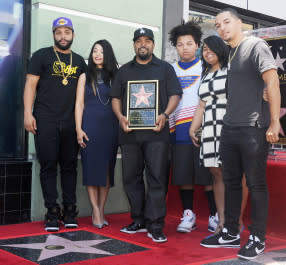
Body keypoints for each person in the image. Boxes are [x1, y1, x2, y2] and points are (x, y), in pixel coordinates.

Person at [200, 8, 280, 261]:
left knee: (256, 184)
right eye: (217, 24)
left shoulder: (255, 46)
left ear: (240, 23)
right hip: (229, 127)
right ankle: (231, 231)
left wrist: (274, 122)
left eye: (226, 22)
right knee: (232, 182)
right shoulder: (230, 54)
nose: (222, 28)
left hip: (254, 127)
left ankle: (258, 239)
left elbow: (273, 82)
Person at [110, 27, 182, 243]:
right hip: (130, 134)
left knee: (157, 179)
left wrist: (165, 114)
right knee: (131, 178)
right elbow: (115, 98)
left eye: (147, 41)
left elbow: (175, 94)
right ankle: (138, 219)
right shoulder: (124, 71)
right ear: (134, 44)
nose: (143, 44)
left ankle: (156, 224)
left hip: (157, 134)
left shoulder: (165, 68)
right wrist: (121, 117)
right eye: (139, 41)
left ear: (152, 44)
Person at [23, 17, 87, 232]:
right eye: (58, 32)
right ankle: (52, 211)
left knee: (69, 167)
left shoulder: (79, 61)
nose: (62, 36)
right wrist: (27, 113)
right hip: (45, 119)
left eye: (66, 32)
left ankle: (69, 210)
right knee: (48, 166)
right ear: (53, 34)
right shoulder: (41, 55)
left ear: (73, 35)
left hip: (70, 121)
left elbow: (81, 99)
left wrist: (79, 125)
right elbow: (30, 86)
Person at [168, 21, 219, 234]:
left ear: (197, 45)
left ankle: (215, 214)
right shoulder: (169, 69)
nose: (185, 48)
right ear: (176, 47)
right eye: (180, 44)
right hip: (177, 131)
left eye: (189, 43)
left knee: (208, 176)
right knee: (183, 177)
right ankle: (188, 214)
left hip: (203, 131)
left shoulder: (206, 67)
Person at [75, 40, 119, 228]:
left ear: (107, 54)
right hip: (89, 127)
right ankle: (95, 210)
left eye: (101, 51)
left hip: (110, 127)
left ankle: (101, 208)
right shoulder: (85, 76)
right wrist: (78, 128)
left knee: (107, 171)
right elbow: (79, 104)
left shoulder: (115, 76)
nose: (97, 54)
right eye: (95, 51)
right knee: (92, 170)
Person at [189, 35, 228, 233]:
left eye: (211, 48)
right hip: (209, 127)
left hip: (228, 125)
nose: (207, 52)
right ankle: (221, 220)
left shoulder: (231, 70)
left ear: (220, 49)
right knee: (215, 172)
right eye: (204, 49)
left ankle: (232, 221)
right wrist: (192, 128)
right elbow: (201, 106)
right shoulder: (205, 74)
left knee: (228, 172)